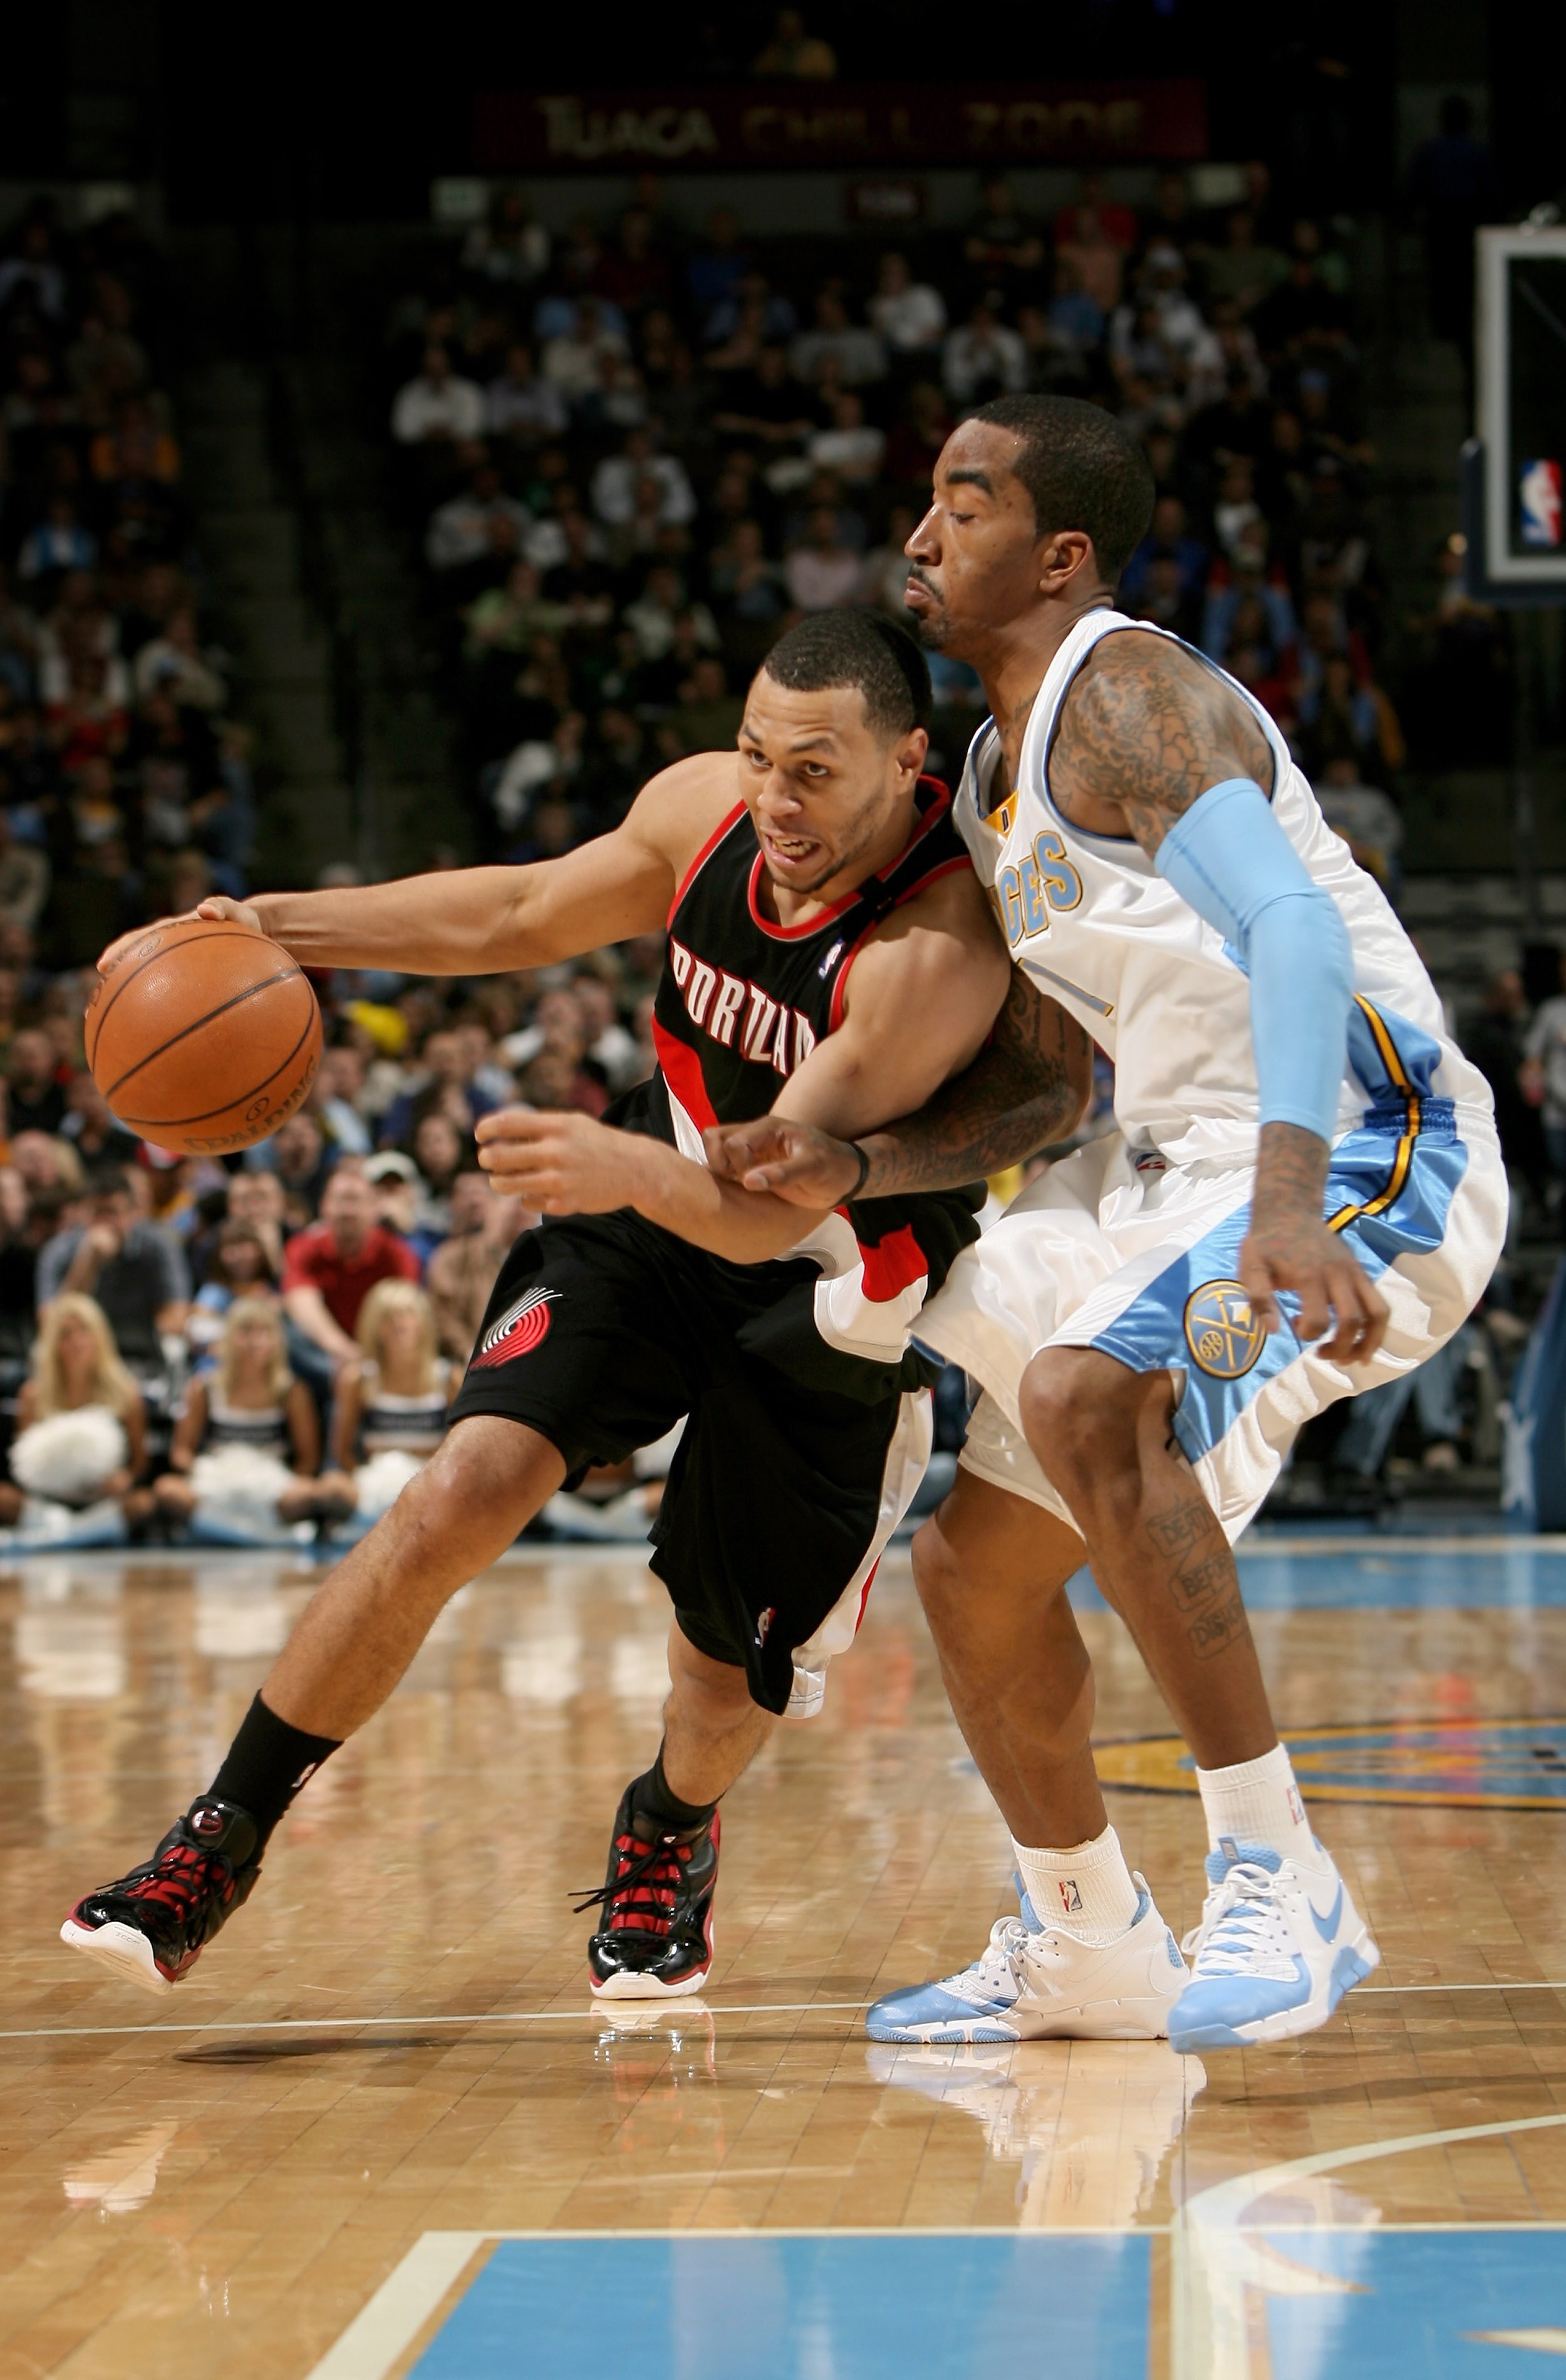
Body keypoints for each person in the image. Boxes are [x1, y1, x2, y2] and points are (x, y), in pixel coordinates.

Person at [60, 611, 1054, 2005]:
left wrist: (627, 1169)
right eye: (759, 753)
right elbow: (521, 911)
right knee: (455, 1492)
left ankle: (667, 1825)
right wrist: (267, 925)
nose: (774, 796)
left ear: (907, 764)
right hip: (644, 1209)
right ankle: (218, 1837)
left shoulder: (933, 951)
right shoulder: (706, 812)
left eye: (814, 770)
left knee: (718, 1683)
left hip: (826, 1287)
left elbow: (768, 1204)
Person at [708, 395, 1506, 2053]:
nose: (922, 537)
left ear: (1059, 555)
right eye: (927, 504)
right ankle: (1084, 1941)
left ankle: (1282, 1888)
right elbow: (1047, 1097)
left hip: (1363, 1147)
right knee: (971, 1571)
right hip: (1171, 1167)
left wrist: (1288, 1200)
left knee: (1084, 1391)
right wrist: (855, 1170)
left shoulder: (1127, 687)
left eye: (965, 505)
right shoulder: (999, 774)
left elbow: (1288, 927)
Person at [153, 1298, 351, 1541]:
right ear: (230, 1337)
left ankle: (221, 1533)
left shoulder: (291, 1391)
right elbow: (181, 1451)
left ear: (276, 1340)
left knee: (311, 1494)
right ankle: (254, 1537)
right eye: (246, 1331)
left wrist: (283, 1482)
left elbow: (308, 1458)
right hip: (216, 1481)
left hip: (269, 1483)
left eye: (264, 1332)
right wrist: (209, 1473)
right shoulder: (204, 1387)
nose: (255, 1341)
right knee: (168, 1490)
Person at [0, 1292, 150, 1536]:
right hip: (49, 1501)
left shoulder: (126, 1392)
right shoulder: (33, 1395)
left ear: (99, 1337)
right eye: (66, 1334)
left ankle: (68, 1533)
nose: (77, 1341)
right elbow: (23, 1462)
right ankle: (78, 1532)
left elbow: (140, 1460)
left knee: (143, 1503)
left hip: (102, 1498)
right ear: (53, 1342)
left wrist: (124, 1479)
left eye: (85, 1331)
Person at [36, 1164, 190, 1377]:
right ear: (81, 1213)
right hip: (80, 1360)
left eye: (113, 1212)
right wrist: (88, 1262)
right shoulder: (59, 1250)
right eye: (96, 1213)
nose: (105, 1222)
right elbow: (52, 1325)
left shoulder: (159, 1246)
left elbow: (176, 1318)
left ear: (132, 1213)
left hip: (140, 1359)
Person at [279, 1162, 421, 1381]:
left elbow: (402, 1311)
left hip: (381, 1351)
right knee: (288, 1331)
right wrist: (346, 1352)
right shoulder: (303, 1247)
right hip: (325, 1355)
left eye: (356, 1200)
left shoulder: (397, 1253)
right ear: (323, 1206)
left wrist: (368, 1358)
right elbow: (300, 1303)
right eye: (340, 1200)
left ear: (375, 1209)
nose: (348, 1211)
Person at [331, 1280, 454, 1524]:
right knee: (332, 1490)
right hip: (375, 1482)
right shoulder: (359, 1379)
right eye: (388, 1317)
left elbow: (458, 1448)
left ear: (422, 1322)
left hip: (430, 1483)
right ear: (374, 1326)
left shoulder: (449, 1378)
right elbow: (343, 1452)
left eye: (407, 1314)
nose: (399, 1324)